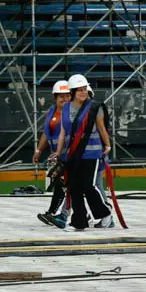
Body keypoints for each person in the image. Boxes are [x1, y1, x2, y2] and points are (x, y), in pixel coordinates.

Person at [54, 74, 114, 231]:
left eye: (84, 89)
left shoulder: (95, 107)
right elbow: (62, 131)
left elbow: (101, 127)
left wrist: (107, 145)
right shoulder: (66, 108)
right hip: (72, 153)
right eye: (79, 90)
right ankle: (79, 222)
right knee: (73, 187)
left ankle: (105, 212)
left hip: (91, 153)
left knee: (88, 186)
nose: (83, 92)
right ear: (72, 92)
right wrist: (58, 152)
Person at [33, 80, 71, 228]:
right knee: (60, 184)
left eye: (67, 95)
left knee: (64, 184)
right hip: (57, 155)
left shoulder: (73, 113)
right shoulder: (51, 112)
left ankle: (57, 213)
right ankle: (55, 212)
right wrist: (39, 150)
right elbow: (46, 133)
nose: (64, 99)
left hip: (68, 154)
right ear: (55, 97)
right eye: (61, 96)